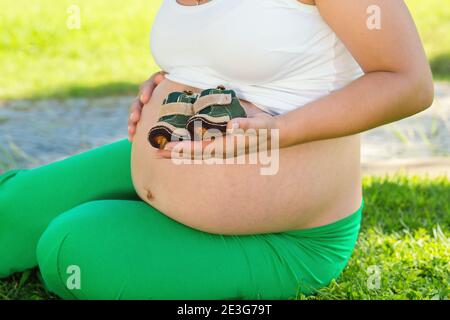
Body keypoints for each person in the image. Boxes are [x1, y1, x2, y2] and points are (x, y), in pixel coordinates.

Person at [0, 0, 433, 299]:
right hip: (161, 162)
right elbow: (239, 51)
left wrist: (279, 131)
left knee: (72, 248)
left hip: (291, 237)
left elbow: (407, 82)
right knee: (12, 208)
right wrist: (172, 81)